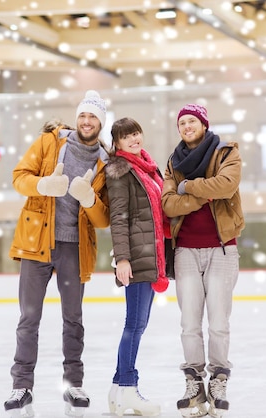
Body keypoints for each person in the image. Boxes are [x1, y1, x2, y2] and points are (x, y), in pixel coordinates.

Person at [4, 90, 111, 418]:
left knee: (73, 319)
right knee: (29, 318)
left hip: (73, 248)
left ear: (100, 123)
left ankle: (73, 384)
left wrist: (90, 201)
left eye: (93, 117)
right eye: (83, 115)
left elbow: (104, 219)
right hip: (38, 241)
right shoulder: (50, 142)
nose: (87, 121)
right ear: (77, 118)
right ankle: (21, 386)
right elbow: (19, 177)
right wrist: (42, 185)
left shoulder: (106, 162)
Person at [161, 104, 244, 418]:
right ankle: (194, 383)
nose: (186, 126)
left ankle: (219, 378)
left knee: (219, 321)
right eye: (181, 122)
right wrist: (205, 194)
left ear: (204, 124)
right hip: (185, 251)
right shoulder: (173, 161)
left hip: (222, 249)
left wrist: (189, 188)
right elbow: (169, 205)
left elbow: (227, 185)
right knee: (189, 324)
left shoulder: (225, 153)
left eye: (191, 120)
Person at [105, 117, 170, 417]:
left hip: (152, 256)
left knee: (138, 324)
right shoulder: (120, 171)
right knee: (134, 325)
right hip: (137, 257)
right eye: (125, 137)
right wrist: (122, 258)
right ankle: (129, 388)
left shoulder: (148, 167)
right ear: (116, 143)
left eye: (136, 133)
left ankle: (119, 388)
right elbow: (119, 218)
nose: (133, 139)